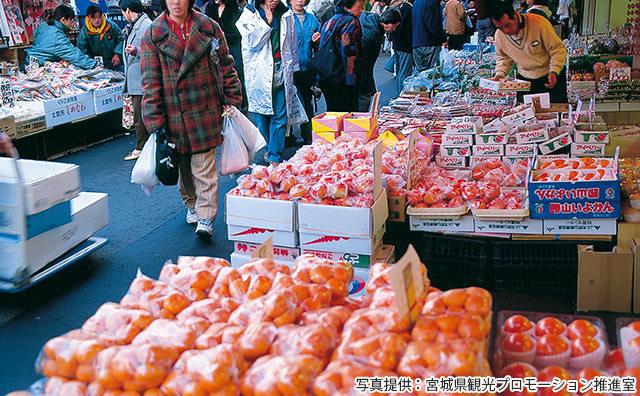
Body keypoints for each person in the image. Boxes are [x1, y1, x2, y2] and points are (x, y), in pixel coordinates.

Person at [140, 0, 242, 237]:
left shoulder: (209, 27)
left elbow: (226, 65)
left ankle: (206, 217)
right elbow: (150, 81)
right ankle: (191, 203)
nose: (176, 2)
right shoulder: (153, 34)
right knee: (184, 168)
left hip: (204, 108)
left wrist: (232, 97)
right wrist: (154, 119)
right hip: (173, 113)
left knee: (204, 166)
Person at [236, 0, 301, 164]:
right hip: (259, 74)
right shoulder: (248, 15)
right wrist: (267, 22)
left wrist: (294, 69)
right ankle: (268, 147)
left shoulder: (287, 14)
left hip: (281, 70)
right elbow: (253, 43)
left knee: (280, 117)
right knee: (261, 117)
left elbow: (292, 44)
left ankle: (274, 156)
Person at [489, 0, 567, 103]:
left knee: (554, 113)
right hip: (525, 80)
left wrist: (554, 70)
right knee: (526, 113)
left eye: (507, 25)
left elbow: (557, 49)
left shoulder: (539, 23)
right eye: (500, 27)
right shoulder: (499, 35)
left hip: (549, 76)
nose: (505, 31)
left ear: (515, 16)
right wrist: (499, 74)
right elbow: (504, 58)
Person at [316, 0, 364, 112]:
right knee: (348, 117)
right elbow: (349, 53)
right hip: (342, 79)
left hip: (327, 76)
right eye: (359, 7)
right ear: (348, 6)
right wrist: (352, 82)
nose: (361, 11)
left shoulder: (330, 20)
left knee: (333, 116)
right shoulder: (351, 22)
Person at [120, 0, 152, 161]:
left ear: (127, 10)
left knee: (140, 116)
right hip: (136, 77)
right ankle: (146, 146)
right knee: (140, 115)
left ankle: (141, 147)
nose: (122, 15)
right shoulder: (136, 24)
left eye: (122, 11)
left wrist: (136, 51)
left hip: (142, 78)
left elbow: (153, 49)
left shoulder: (145, 25)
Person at [204, 0, 247, 112]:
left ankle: (239, 106)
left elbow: (238, 32)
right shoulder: (210, 7)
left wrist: (222, 37)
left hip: (233, 48)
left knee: (235, 74)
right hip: (214, 48)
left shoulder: (235, 9)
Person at [25, 5, 98, 69]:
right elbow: (73, 55)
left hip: (30, 61)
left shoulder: (44, 24)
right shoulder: (57, 36)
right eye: (71, 20)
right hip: (38, 66)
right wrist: (94, 65)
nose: (72, 23)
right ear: (63, 20)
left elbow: (35, 35)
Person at [289, 0, 321, 144]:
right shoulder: (285, 18)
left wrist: (317, 41)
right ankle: (287, 137)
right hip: (289, 69)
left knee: (306, 102)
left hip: (306, 68)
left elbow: (319, 46)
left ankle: (308, 135)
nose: (300, 1)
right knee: (287, 103)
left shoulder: (312, 19)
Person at [359, 8, 400, 110]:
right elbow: (366, 64)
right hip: (360, 79)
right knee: (360, 112)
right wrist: (369, 86)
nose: (393, 29)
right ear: (387, 22)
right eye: (393, 26)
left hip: (355, 77)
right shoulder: (372, 36)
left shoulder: (368, 20)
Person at [77, 5, 124, 70]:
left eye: (99, 17)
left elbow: (121, 39)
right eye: (93, 18)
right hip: (95, 62)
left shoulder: (111, 26)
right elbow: (82, 48)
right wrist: (89, 63)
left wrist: (117, 54)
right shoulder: (84, 31)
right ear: (88, 18)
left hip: (113, 60)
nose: (97, 20)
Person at [412, 0, 445, 72]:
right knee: (432, 73)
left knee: (420, 75)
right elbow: (434, 24)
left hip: (417, 42)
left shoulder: (416, 2)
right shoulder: (432, 2)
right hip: (430, 42)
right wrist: (442, 39)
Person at [388, 0, 412, 95]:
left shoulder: (397, 8)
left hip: (397, 45)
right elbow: (408, 29)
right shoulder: (407, 9)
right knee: (404, 73)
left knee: (400, 73)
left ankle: (399, 94)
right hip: (405, 45)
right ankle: (402, 95)